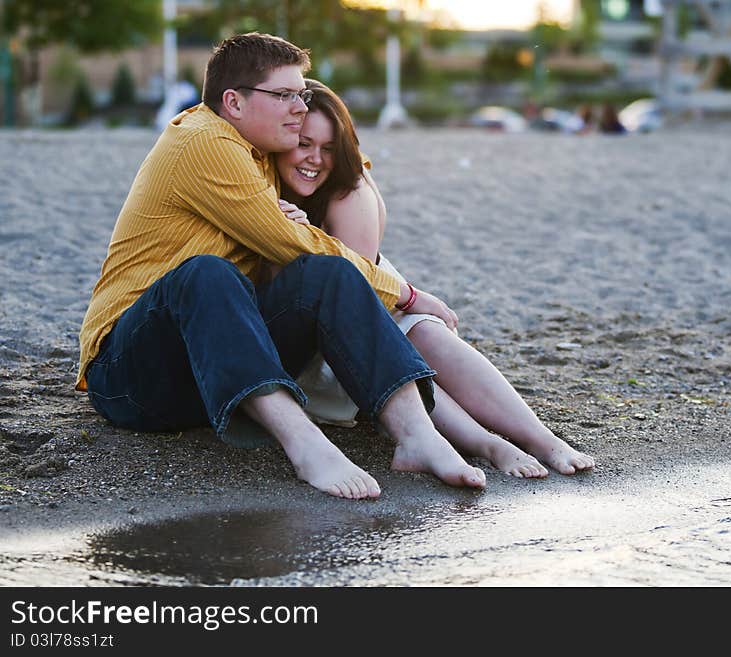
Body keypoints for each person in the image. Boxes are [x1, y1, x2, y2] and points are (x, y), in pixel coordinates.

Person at [77, 33, 487, 500]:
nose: (298, 106)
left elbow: (347, 168)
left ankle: (417, 435)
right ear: (233, 102)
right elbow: (286, 241)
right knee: (206, 272)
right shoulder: (202, 143)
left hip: (216, 375)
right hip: (132, 377)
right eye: (284, 95)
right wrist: (407, 294)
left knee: (328, 273)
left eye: (302, 94)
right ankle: (305, 443)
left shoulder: (268, 152)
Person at [274, 79, 595, 478]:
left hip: (360, 311)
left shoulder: (348, 192)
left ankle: (541, 438)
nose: (315, 159)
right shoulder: (256, 184)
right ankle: (488, 443)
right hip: (311, 343)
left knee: (424, 333)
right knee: (406, 350)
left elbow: (355, 295)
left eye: (327, 148)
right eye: (304, 143)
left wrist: (409, 299)